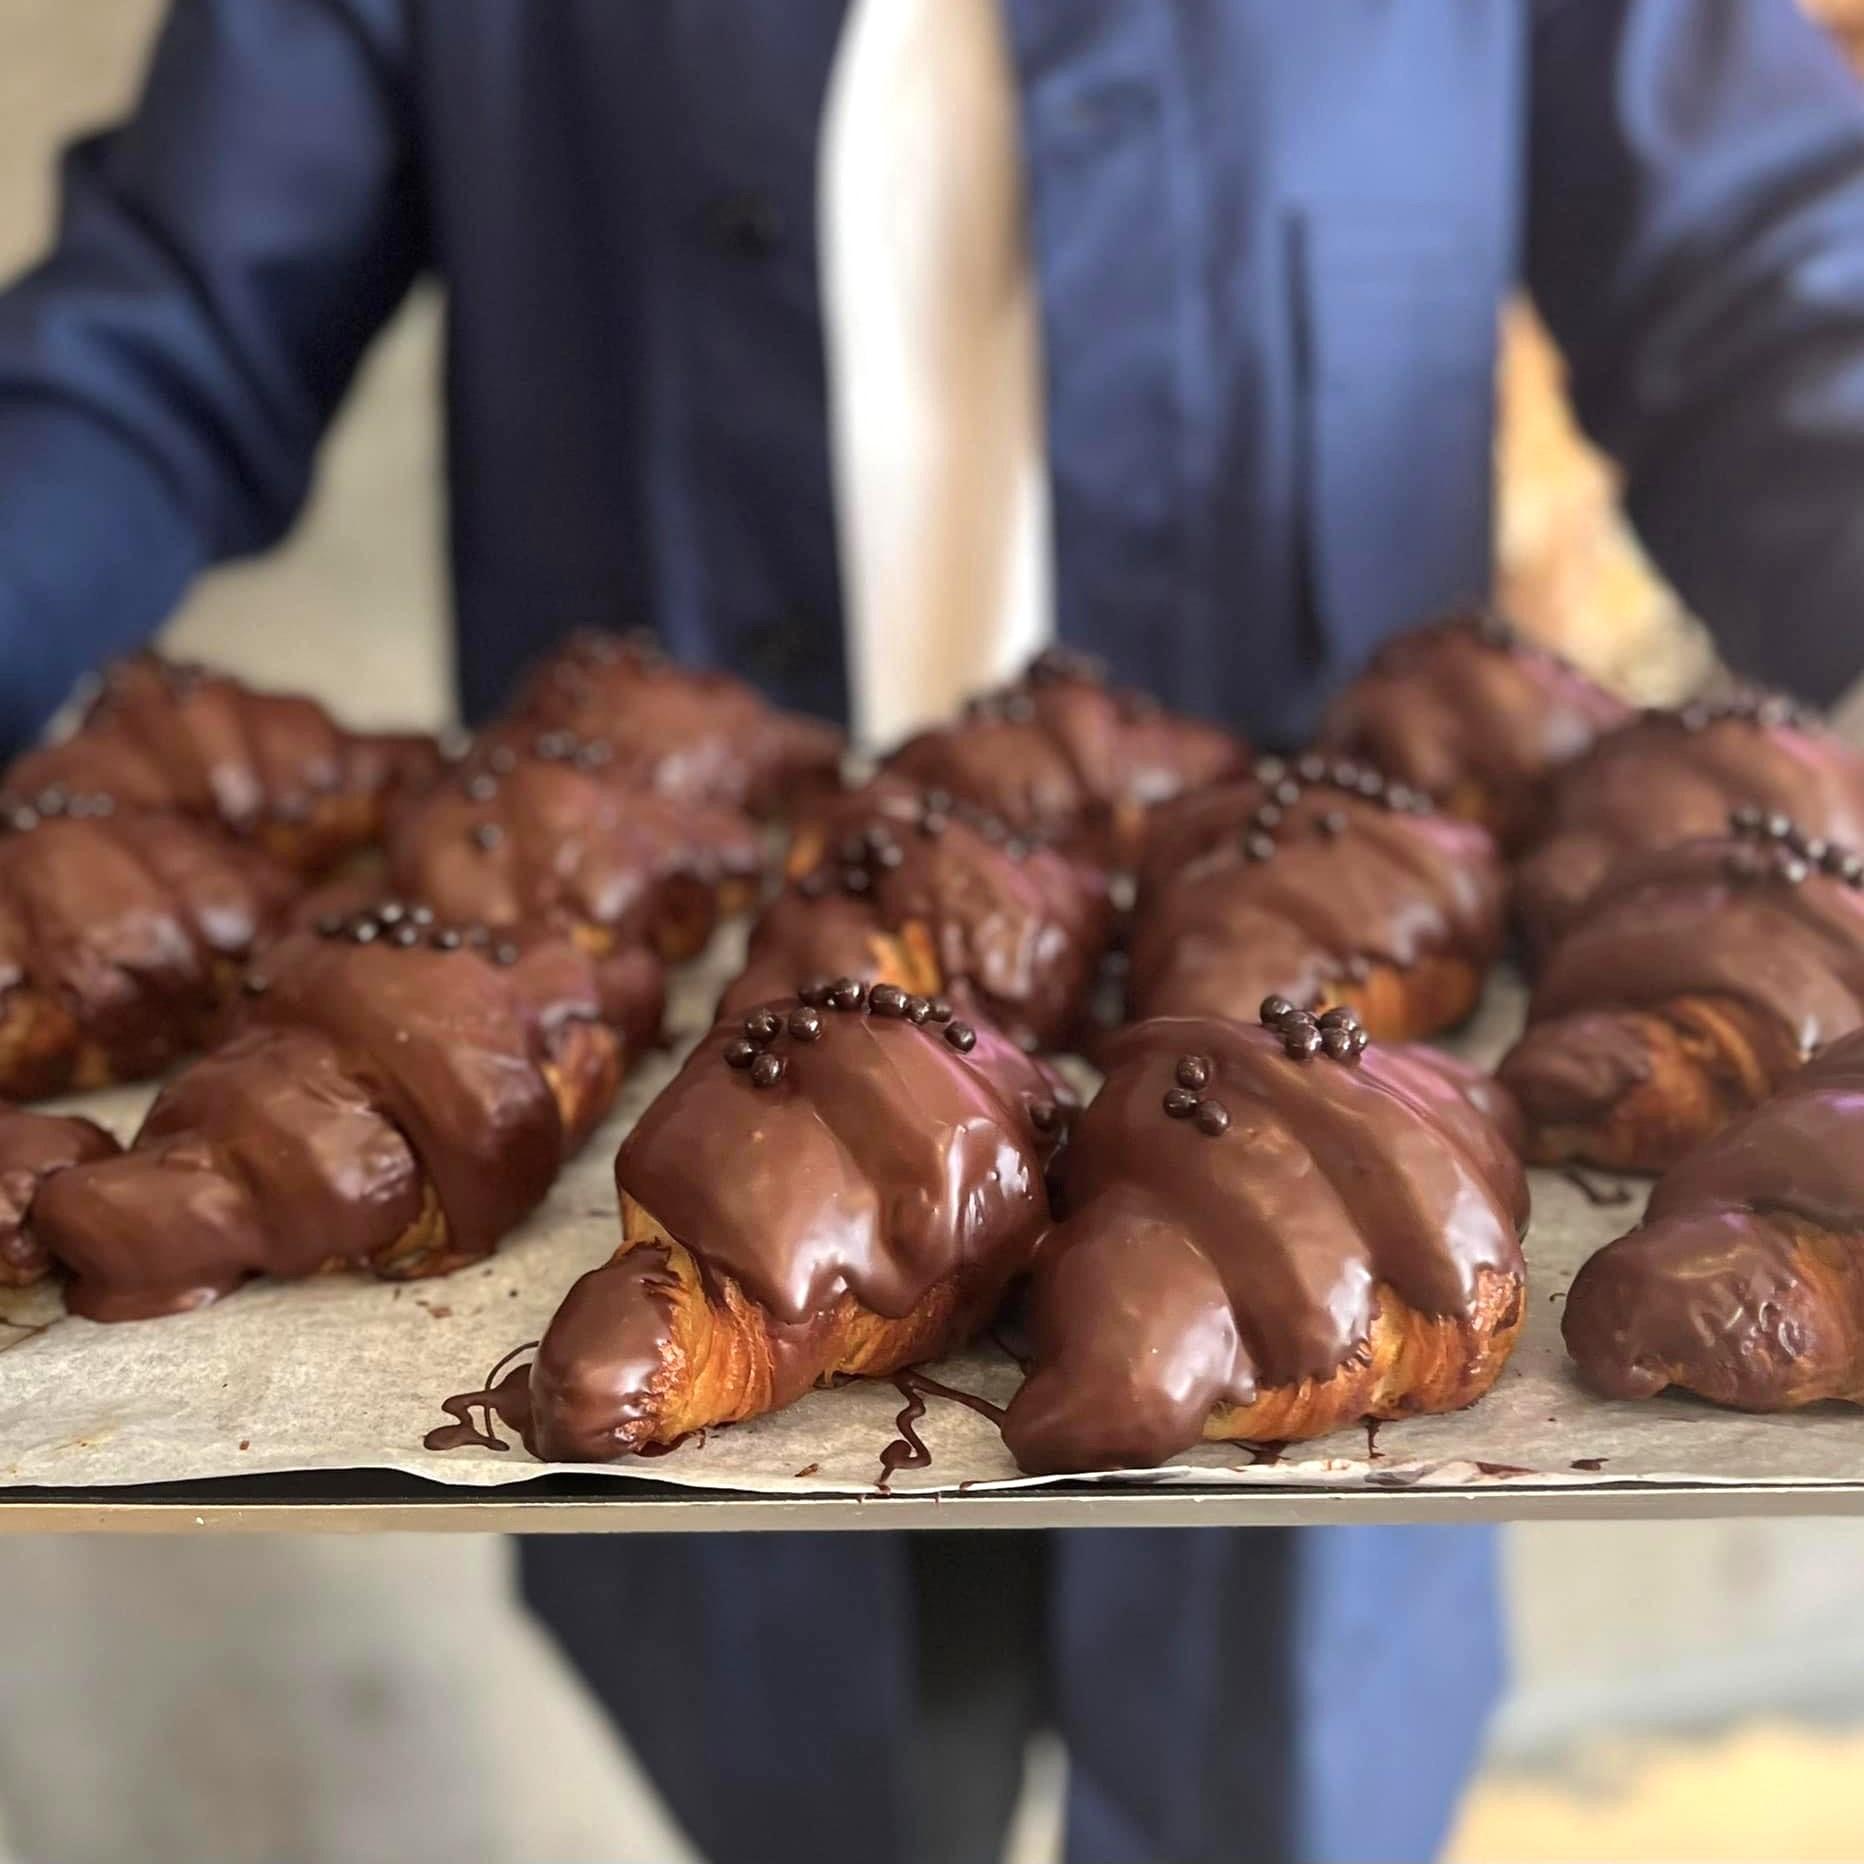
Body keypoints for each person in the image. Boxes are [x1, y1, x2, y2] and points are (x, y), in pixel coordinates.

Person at [3, 4, 1863, 1859]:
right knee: (807, 1784)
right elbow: (162, 323)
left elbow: (1773, 278)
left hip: (1336, 1166)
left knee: (1282, 1775)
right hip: (719, 1076)